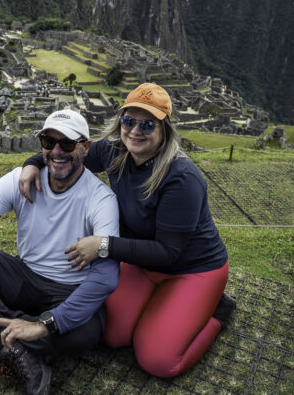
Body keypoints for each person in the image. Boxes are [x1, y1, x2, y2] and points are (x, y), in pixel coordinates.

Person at [20, 83, 236, 378]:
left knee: (157, 360)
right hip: (142, 263)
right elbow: (70, 155)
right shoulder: (112, 151)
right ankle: (164, 310)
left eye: (147, 124)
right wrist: (31, 164)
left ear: (164, 130)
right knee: (111, 334)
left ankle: (216, 312)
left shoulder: (182, 178)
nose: (135, 130)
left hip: (191, 268)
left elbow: (169, 252)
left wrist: (103, 245)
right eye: (128, 121)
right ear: (119, 122)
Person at [0, 109, 120, 395]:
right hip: (24, 276)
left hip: (69, 288)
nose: (57, 151)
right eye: (49, 142)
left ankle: (1, 331)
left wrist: (44, 325)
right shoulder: (19, 180)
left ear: (85, 148)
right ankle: (19, 339)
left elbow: (106, 277)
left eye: (68, 144)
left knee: (88, 331)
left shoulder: (101, 199)